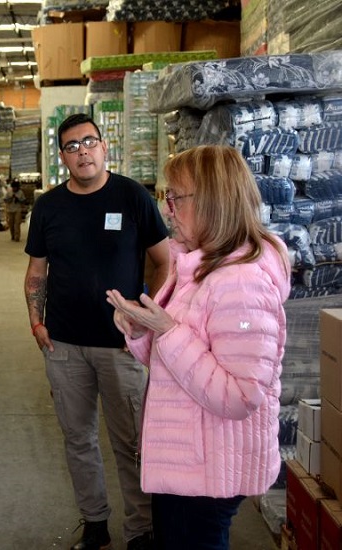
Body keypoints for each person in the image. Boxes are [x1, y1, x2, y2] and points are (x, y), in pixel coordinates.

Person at [106, 145, 290, 550]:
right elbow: (176, 363)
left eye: (175, 198)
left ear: (212, 201)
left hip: (206, 471)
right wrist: (142, 332)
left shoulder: (241, 282)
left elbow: (241, 395)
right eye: (165, 197)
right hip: (189, 460)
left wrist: (167, 331)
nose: (167, 209)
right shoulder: (199, 266)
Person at [24, 113, 169, 550]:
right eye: (72, 146)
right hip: (65, 345)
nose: (82, 151)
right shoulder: (48, 206)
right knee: (79, 439)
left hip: (122, 347)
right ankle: (95, 524)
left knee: (132, 442)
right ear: (63, 156)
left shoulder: (133, 197)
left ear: (104, 147)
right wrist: (36, 320)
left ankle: (141, 529)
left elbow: (165, 261)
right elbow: (36, 272)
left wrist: (148, 314)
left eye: (90, 141)